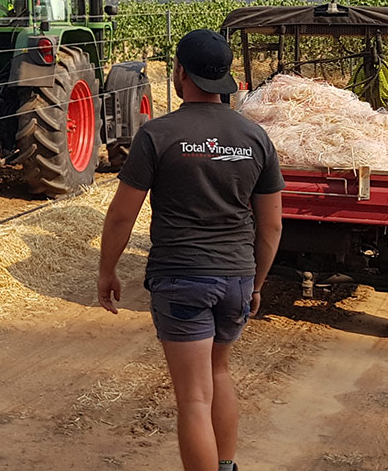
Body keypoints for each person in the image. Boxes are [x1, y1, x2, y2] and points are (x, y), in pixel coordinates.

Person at [98, 29, 284, 471]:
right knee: (219, 374)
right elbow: (272, 225)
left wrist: (107, 270)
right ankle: (226, 466)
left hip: (181, 279)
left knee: (194, 398)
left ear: (180, 72)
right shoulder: (255, 136)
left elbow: (122, 216)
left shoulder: (157, 134)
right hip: (236, 277)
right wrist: (255, 282)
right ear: (227, 77)